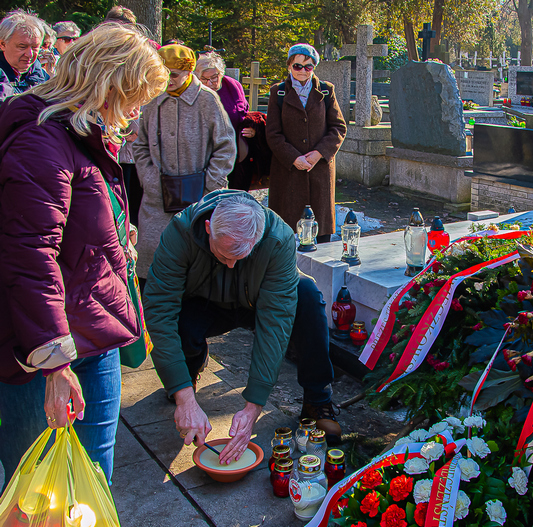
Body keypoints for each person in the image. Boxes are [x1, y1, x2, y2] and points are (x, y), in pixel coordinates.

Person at [0, 23, 169, 489]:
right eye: (136, 96)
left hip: (93, 329)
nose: (137, 111)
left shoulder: (80, 133)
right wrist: (54, 364)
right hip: (48, 350)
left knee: (92, 480)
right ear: (107, 84)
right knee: (43, 491)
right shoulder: (41, 141)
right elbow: (30, 256)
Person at [143, 190, 341, 465]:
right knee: (179, 327)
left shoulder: (277, 238)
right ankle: (186, 373)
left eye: (241, 257)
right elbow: (159, 310)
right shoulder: (180, 232)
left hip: (256, 301)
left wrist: (253, 406)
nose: (232, 264)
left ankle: (317, 399)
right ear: (208, 227)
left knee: (307, 295)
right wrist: (183, 397)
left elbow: (275, 322)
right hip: (203, 302)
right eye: (224, 255)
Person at [133, 44, 236, 281]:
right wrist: (150, 180)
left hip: (200, 197)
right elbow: (140, 145)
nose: (168, 80)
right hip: (157, 198)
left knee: (198, 258)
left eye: (174, 75)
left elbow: (226, 146)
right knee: (153, 262)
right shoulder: (152, 98)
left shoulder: (208, 100)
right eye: (163, 73)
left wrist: (211, 185)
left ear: (189, 72)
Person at [265, 43, 347, 243]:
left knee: (321, 235)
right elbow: (273, 133)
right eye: (297, 66)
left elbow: (338, 128)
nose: (302, 71)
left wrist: (319, 153)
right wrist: (294, 158)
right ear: (289, 66)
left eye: (308, 66)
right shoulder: (279, 92)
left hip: (318, 172)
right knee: (286, 233)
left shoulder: (327, 91)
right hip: (288, 173)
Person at [194, 51, 254, 190]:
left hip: (234, 155)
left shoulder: (233, 86)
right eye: (204, 79)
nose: (210, 83)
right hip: (204, 158)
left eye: (214, 78)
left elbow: (242, 114)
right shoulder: (194, 91)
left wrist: (251, 129)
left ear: (221, 73)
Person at [0, 10, 49, 99]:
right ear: (3, 44)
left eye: (35, 47)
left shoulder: (40, 75)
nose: (30, 54)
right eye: (22, 47)